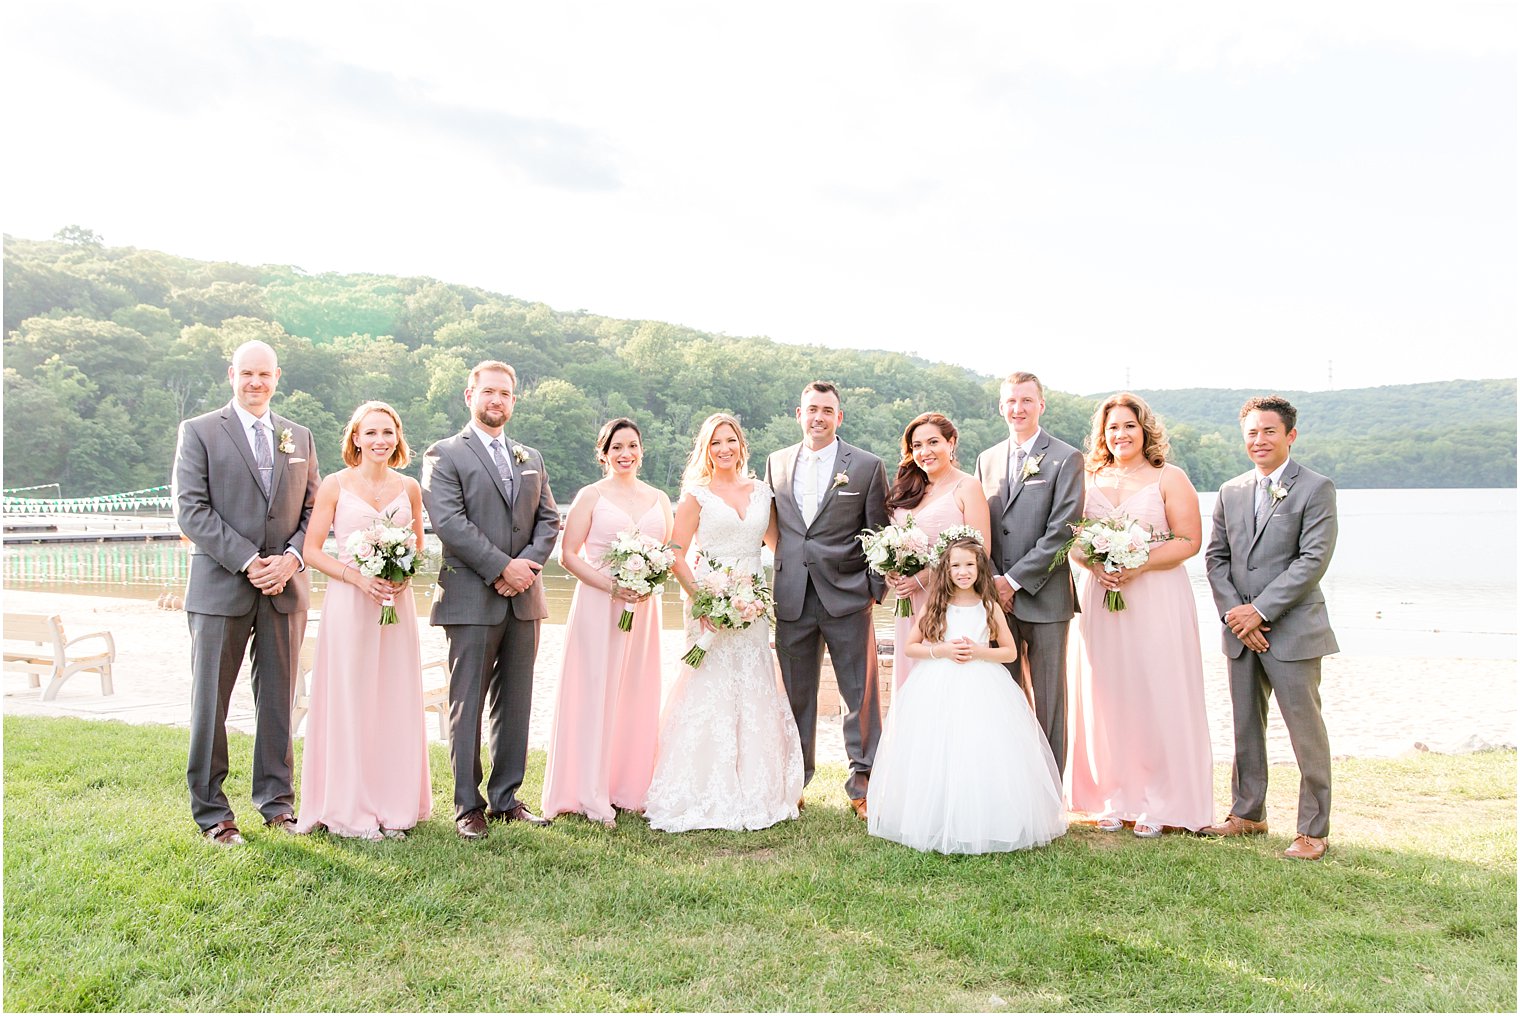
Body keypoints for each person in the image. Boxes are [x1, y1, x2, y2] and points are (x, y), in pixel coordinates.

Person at [172, 339, 319, 845]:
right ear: (231, 374)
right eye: (247, 374)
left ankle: (277, 803)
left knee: (279, 699)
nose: (256, 383)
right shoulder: (200, 432)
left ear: (278, 376)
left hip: (284, 587)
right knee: (210, 702)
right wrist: (248, 560)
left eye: (265, 374)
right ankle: (212, 812)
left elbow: (313, 513)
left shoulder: (298, 436)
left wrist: (291, 559)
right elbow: (191, 510)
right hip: (220, 587)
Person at [420, 360, 561, 840]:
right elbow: (449, 522)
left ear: (513, 400)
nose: (496, 401)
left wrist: (527, 569)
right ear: (469, 396)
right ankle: (467, 805)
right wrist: (503, 567)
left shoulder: (531, 458)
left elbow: (549, 521)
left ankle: (506, 798)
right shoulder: (444, 455)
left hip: (524, 599)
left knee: (516, 701)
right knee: (467, 702)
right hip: (471, 596)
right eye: (487, 392)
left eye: (504, 393)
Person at [644, 413, 804, 832]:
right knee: (708, 684)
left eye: (730, 440)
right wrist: (704, 599)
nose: (724, 449)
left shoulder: (762, 492)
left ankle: (756, 782)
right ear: (706, 449)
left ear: (741, 445)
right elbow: (675, 552)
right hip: (709, 604)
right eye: (715, 443)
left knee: (752, 686)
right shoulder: (696, 496)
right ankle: (702, 784)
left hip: (752, 605)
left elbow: (778, 545)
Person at [1065, 393, 1212, 837]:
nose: (1120, 435)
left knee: (1158, 691)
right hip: (1102, 598)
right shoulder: (1088, 477)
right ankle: (1114, 797)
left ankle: (1162, 802)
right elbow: (1070, 538)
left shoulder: (1169, 477)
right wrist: (1094, 564)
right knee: (1107, 695)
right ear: (1102, 434)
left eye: (1129, 426)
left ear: (1144, 429)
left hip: (1155, 597)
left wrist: (1139, 562)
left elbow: (1189, 541)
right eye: (1112, 427)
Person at [867, 536, 1067, 854]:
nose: (962, 572)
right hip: (937, 682)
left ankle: (988, 818)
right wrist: (942, 649)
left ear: (980, 569)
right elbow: (910, 646)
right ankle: (936, 817)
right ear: (946, 568)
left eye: (969, 565)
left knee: (981, 747)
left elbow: (1010, 652)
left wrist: (978, 652)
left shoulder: (989, 605)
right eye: (955, 565)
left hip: (984, 684)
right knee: (938, 748)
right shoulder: (937, 604)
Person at [1203, 395, 1339, 861]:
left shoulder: (1316, 488)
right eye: (1252, 433)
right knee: (1244, 726)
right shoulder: (1230, 491)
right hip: (1240, 633)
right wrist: (1235, 616)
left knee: (1305, 731)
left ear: (1290, 436)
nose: (1259, 440)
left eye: (1268, 432)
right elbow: (1216, 559)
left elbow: (1312, 560)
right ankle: (1248, 813)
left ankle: (1312, 830)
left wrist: (1259, 611)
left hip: (1293, 629)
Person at [294, 401, 432, 839]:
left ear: (398, 437)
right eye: (370, 433)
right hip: (350, 605)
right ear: (355, 438)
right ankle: (348, 804)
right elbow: (313, 551)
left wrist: (403, 575)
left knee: (392, 697)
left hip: (395, 605)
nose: (379, 441)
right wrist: (357, 578)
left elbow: (419, 546)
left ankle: (393, 804)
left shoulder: (410, 487)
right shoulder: (335, 485)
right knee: (351, 698)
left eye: (387, 433)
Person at [763, 381, 889, 820]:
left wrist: (874, 589)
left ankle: (864, 782)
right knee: (797, 694)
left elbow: (878, 532)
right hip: (793, 595)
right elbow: (774, 525)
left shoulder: (867, 466)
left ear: (839, 417)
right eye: (811, 409)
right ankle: (795, 782)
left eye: (827, 410)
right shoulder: (776, 463)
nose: (818, 416)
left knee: (861, 695)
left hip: (849, 595)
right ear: (798, 414)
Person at [541, 418, 673, 826]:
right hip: (600, 607)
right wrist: (611, 585)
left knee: (636, 691)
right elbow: (568, 554)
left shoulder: (660, 498)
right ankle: (587, 791)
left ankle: (628, 787)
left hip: (643, 610)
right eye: (617, 447)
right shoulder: (590, 496)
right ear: (603, 454)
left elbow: (666, 554)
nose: (625, 454)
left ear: (642, 450)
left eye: (632, 445)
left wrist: (650, 581)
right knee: (594, 692)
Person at [974, 371, 1084, 777]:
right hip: (995, 601)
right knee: (1004, 696)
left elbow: (1063, 532)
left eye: (1025, 400)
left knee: (1050, 702)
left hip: (1045, 597)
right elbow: (980, 530)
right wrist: (991, 583)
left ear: (1041, 405)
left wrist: (1012, 580)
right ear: (1001, 407)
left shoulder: (1066, 457)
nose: (1017, 409)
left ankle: (1052, 790)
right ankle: (1012, 782)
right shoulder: (986, 459)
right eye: (1010, 401)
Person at [882, 412, 991, 690]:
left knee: (948, 682)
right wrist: (891, 571)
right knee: (910, 678)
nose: (924, 452)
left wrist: (924, 577)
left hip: (949, 600)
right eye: (916, 446)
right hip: (908, 602)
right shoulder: (907, 489)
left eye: (933, 442)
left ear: (951, 443)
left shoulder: (967, 486)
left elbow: (981, 551)